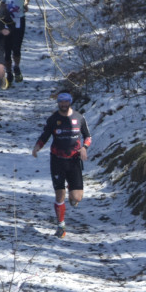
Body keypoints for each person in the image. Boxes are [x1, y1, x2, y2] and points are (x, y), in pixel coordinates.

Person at [32, 91, 92, 237]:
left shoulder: (79, 117)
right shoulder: (53, 119)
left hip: (74, 160)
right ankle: (61, 226)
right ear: (58, 103)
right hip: (57, 160)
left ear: (70, 102)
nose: (63, 105)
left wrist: (84, 147)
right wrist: (37, 147)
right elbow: (45, 136)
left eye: (66, 102)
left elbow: (88, 136)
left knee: (77, 197)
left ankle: (72, 189)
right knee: (59, 195)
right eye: (61, 102)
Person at [0, 0, 32, 85]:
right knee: (7, 49)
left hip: (19, 19)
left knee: (17, 47)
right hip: (5, 21)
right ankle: (9, 71)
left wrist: (25, 4)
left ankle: (16, 67)